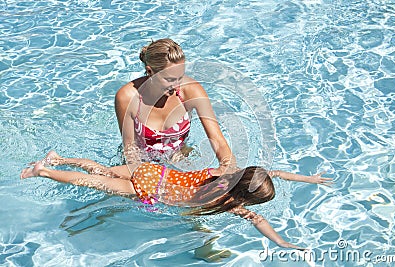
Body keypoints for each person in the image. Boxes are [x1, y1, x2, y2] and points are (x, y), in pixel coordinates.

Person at [21, 151, 333, 250]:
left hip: (153, 172)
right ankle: (44, 172)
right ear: (245, 199)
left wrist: (310, 179)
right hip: (152, 193)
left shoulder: (225, 173)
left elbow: (273, 172)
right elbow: (260, 221)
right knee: (96, 182)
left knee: (100, 170)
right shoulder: (229, 202)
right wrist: (281, 243)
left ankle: (58, 158)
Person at [115, 38, 236, 175]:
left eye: (180, 77)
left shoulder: (190, 91)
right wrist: (145, 179)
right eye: (170, 79)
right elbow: (131, 151)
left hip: (179, 158)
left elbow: (218, 139)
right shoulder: (127, 97)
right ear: (150, 72)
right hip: (142, 164)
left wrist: (229, 168)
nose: (176, 85)